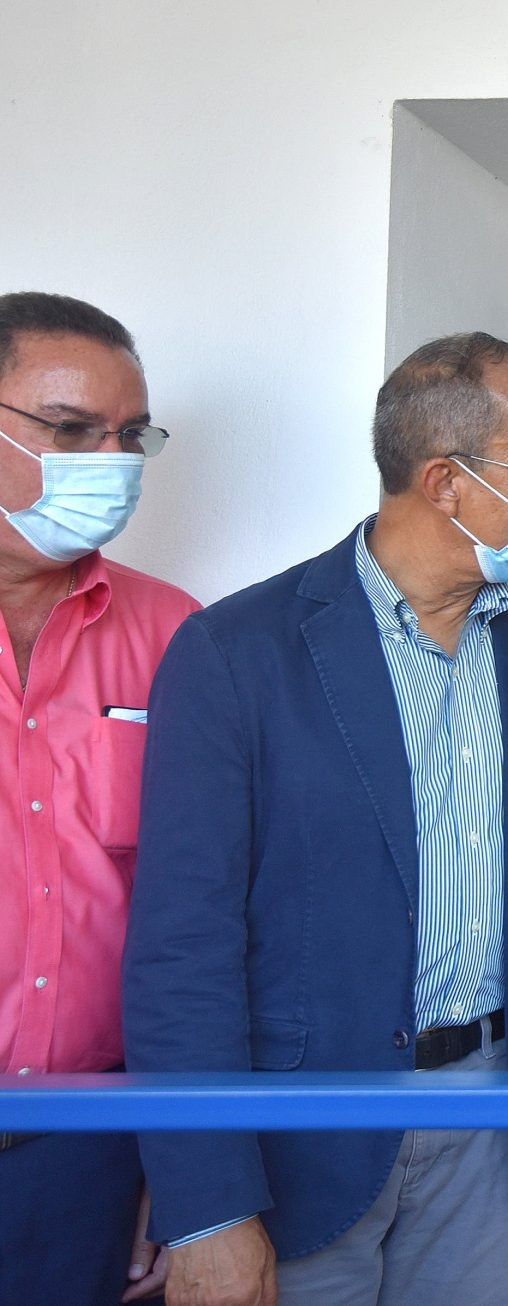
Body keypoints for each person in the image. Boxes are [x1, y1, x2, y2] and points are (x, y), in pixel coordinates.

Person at [123, 333, 508, 1306]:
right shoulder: (236, 653)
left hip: (495, 1129)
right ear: (444, 480)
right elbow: (182, 948)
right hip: (298, 1144)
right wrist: (207, 1206)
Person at [0, 291, 197, 1306]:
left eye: (129, 436)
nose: (108, 461)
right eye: (71, 430)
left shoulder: (180, 637)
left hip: (96, 1152)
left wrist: (185, 1169)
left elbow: (214, 919)